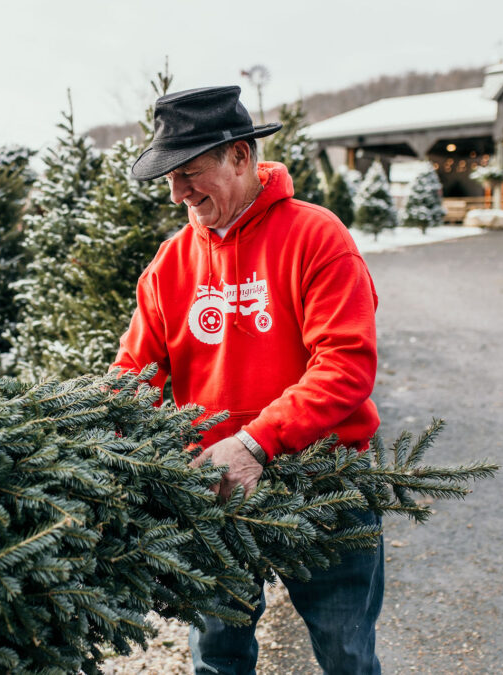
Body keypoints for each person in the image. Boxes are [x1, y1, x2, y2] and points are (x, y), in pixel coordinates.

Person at [111, 85, 384, 675]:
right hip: (215, 494)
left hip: (324, 483)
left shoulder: (317, 237)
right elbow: (132, 373)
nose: (178, 191)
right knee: (217, 657)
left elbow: (345, 365)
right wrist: (93, 435)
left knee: (346, 652)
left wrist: (257, 443)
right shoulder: (171, 263)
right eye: (168, 176)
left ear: (240, 156)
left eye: (189, 171)